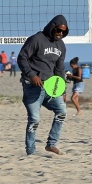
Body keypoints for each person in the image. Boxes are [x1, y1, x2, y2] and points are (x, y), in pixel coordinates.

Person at [17, 15, 68, 155]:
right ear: (53, 27)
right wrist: (32, 75)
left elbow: (59, 69)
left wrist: (63, 91)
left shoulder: (61, 45)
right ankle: (31, 151)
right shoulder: (36, 39)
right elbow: (22, 58)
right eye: (58, 30)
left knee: (62, 112)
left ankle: (51, 144)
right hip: (33, 87)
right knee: (34, 119)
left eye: (63, 32)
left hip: (52, 87)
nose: (60, 33)